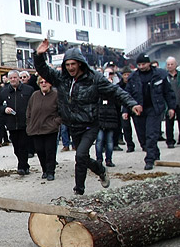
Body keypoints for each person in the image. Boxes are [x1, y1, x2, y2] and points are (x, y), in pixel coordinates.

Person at [35, 40, 140, 194]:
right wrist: (39, 55)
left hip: (90, 124)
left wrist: (132, 104)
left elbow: (115, 91)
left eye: (73, 64)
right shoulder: (61, 78)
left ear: (80, 64)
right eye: (68, 64)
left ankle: (79, 190)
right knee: (81, 158)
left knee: (81, 155)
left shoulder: (94, 78)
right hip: (73, 125)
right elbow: (43, 70)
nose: (70, 67)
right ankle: (100, 169)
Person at [123, 55, 175, 171]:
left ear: (149, 63)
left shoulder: (160, 75)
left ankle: (149, 160)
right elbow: (127, 95)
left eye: (143, 64)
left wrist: (171, 107)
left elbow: (168, 92)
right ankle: (154, 153)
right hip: (138, 109)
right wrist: (125, 110)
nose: (141, 67)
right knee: (142, 137)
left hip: (154, 108)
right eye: (139, 65)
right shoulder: (133, 77)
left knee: (151, 134)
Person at [0, 70, 34, 175]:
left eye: (15, 77)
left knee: (23, 145)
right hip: (11, 124)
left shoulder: (28, 90)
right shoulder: (4, 92)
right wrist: (4, 109)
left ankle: (22, 166)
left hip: (25, 123)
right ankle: (23, 164)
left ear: (18, 78)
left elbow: (33, 104)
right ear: (8, 79)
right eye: (11, 78)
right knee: (16, 147)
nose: (13, 80)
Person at [25, 75, 60, 181]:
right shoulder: (35, 95)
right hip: (36, 129)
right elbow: (29, 111)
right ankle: (44, 170)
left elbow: (61, 112)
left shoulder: (56, 95)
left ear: (50, 84)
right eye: (41, 82)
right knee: (40, 151)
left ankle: (50, 171)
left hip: (50, 129)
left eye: (46, 82)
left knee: (50, 151)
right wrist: (29, 123)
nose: (44, 84)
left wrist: (55, 123)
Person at [163, 56, 180, 148]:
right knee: (169, 123)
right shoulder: (164, 76)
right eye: (168, 64)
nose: (170, 66)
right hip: (169, 103)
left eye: (172, 64)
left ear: (176, 65)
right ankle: (170, 141)